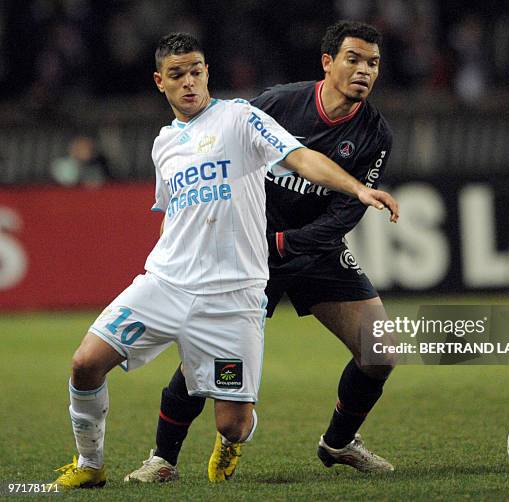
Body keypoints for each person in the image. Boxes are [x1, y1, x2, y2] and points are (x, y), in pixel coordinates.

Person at [51, 31, 398, 490]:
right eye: (354, 59)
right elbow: (186, 185)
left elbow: (320, 182)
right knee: (176, 363)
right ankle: (161, 458)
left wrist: (305, 229)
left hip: (298, 252)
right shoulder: (270, 106)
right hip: (224, 259)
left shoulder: (370, 133)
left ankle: (339, 442)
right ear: (327, 62)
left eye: (372, 63)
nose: (364, 71)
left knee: (380, 351)